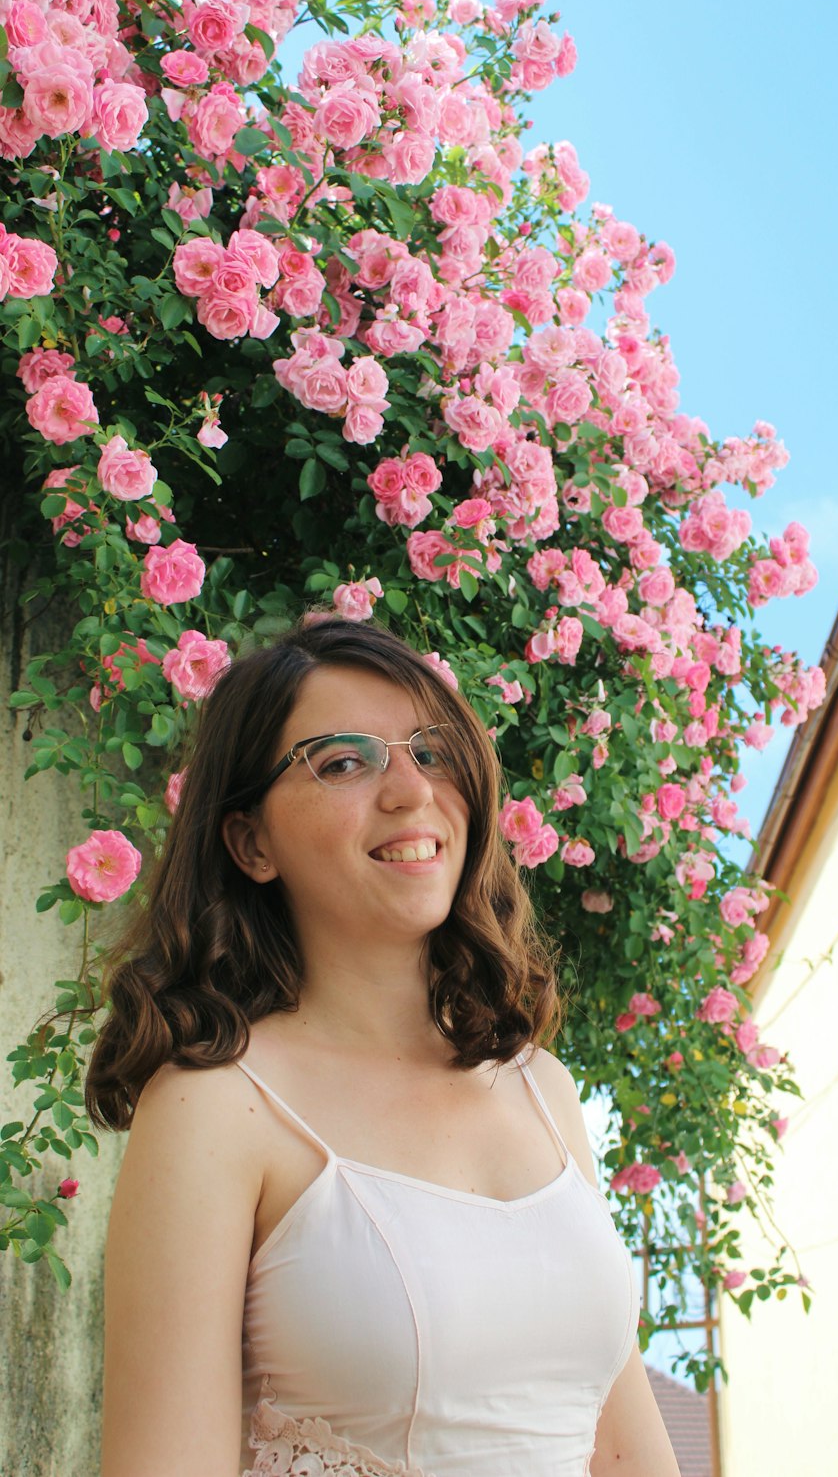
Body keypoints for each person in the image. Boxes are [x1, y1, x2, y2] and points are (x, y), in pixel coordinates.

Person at [88, 616, 680, 1477]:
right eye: (343, 761)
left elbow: (627, 1449)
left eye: (431, 752)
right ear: (252, 842)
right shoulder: (214, 1107)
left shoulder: (541, 1091)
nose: (411, 791)